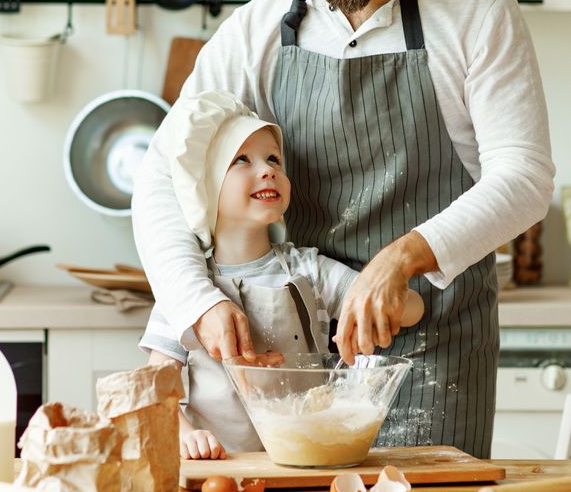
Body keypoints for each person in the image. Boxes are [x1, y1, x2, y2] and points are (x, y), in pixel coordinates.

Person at [132, 0, 555, 458]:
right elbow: (163, 172)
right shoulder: (257, 31)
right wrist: (197, 303)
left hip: (432, 356)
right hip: (299, 373)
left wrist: (404, 256)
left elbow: (524, 178)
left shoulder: (476, 11)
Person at [139, 91, 423, 459]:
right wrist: (185, 434)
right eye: (241, 160)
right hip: (219, 465)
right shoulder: (186, 287)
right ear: (206, 188)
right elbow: (155, 384)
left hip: (305, 458)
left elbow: (406, 309)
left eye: (273, 158)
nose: (267, 169)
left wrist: (393, 289)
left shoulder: (308, 269)